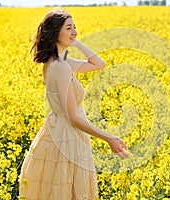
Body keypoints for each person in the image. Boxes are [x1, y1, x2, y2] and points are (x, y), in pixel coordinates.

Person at [19, 10, 129, 199]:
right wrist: (109, 138)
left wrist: (74, 41)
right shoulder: (61, 67)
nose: (74, 31)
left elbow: (98, 63)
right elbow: (73, 117)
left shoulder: (58, 62)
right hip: (66, 136)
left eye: (75, 27)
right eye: (69, 28)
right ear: (55, 33)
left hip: (60, 132)